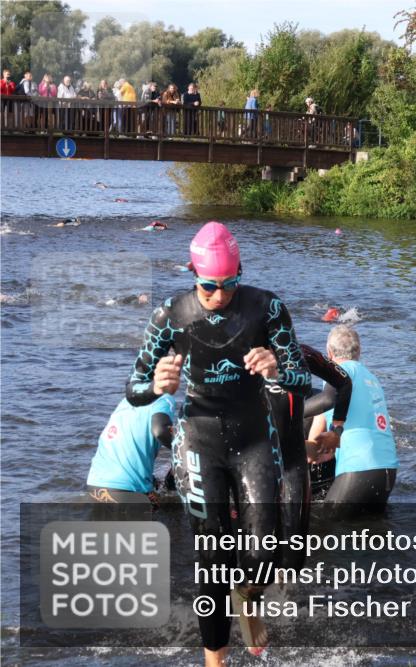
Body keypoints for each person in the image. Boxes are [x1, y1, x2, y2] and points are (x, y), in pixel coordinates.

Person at [125, 221, 310, 664]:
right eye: (209, 286)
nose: (220, 295)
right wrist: (155, 385)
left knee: (267, 551)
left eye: (230, 284)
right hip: (199, 440)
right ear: (194, 274)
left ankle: (246, 596)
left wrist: (277, 371)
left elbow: (301, 379)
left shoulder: (267, 309)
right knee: (212, 558)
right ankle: (215, 660)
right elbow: (133, 388)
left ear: (240, 272)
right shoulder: (171, 315)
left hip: (253, 440)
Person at [265, 342, 352, 571]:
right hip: (259, 454)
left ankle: (287, 592)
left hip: (294, 453)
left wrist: (336, 431)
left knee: (295, 543)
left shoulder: (302, 353)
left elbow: (341, 386)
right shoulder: (236, 354)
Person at [308, 325, 398, 514]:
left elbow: (326, 402)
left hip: (359, 469)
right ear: (360, 351)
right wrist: (319, 450)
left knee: (326, 530)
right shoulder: (371, 378)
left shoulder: (339, 371)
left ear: (329, 352)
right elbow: (323, 419)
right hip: (387, 471)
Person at [86, 393, 176, 505]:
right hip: (127, 491)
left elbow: (128, 447)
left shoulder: (126, 401)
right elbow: (160, 431)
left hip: (95, 485)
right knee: (169, 509)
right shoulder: (163, 399)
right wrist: (182, 451)